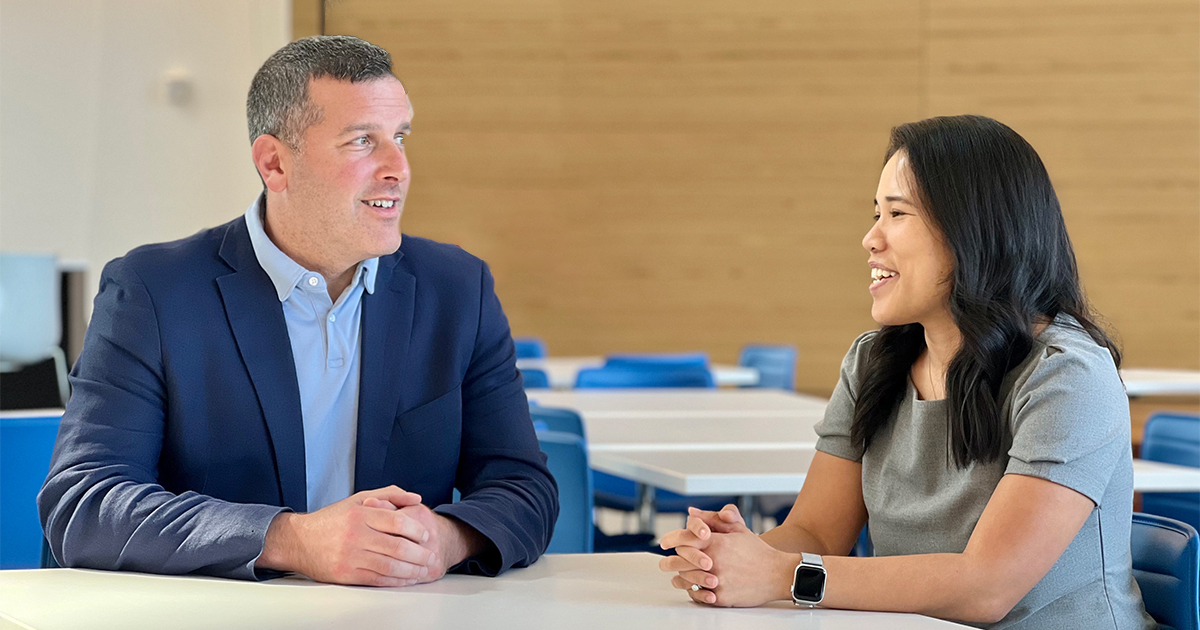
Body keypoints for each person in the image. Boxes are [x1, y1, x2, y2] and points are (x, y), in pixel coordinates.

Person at [38, 35, 558, 586]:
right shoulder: (154, 290)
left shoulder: (457, 288)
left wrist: (447, 539)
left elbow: (523, 486)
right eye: (362, 142)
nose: (398, 168)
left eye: (400, 137)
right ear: (274, 163)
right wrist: (292, 539)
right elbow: (85, 503)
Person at [658, 115, 1155, 629]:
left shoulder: (1067, 377)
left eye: (897, 213)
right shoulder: (873, 361)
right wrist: (734, 559)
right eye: (877, 213)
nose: (871, 239)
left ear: (974, 231)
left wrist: (784, 576)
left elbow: (987, 587)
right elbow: (816, 535)